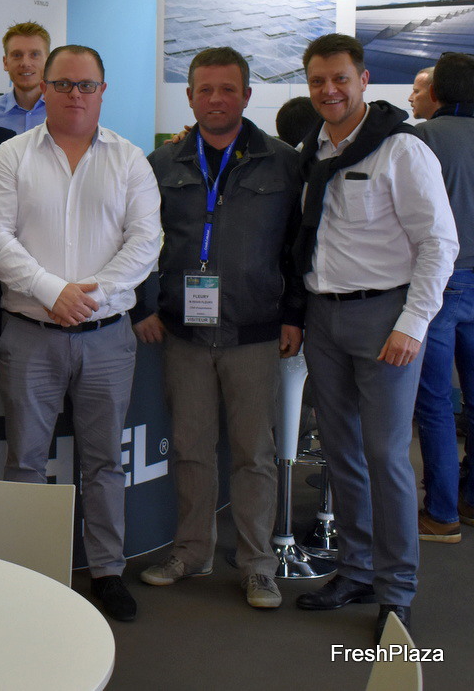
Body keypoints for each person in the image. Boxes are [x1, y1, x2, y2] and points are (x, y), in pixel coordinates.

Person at [0, 44, 161, 622]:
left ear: (103, 91)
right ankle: (29, 570)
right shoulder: (11, 156)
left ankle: (107, 570)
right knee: (25, 461)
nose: (74, 95)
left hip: (107, 336)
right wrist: (51, 292)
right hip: (30, 332)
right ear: (45, 88)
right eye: (63, 84)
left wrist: (88, 297)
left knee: (104, 461)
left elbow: (146, 243)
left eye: (86, 85)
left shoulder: (130, 160)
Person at [292, 33, 457, 643]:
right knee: (341, 453)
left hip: (385, 318)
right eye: (317, 80)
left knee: (386, 457)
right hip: (324, 316)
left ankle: (396, 591)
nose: (329, 90)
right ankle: (356, 570)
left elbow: (439, 243)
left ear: (363, 80)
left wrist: (413, 323)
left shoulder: (401, 149)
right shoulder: (311, 149)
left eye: (340, 78)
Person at [134, 47, 304, 609]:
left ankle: (258, 565)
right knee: (190, 448)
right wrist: (141, 305)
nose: (215, 99)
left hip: (254, 331)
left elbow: (298, 248)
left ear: (247, 95)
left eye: (227, 89)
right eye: (204, 89)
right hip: (183, 332)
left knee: (255, 453)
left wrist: (294, 315)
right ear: (189, 97)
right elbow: (135, 241)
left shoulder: (282, 163)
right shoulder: (162, 164)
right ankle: (192, 552)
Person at [412, 51, 474, 543]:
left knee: (433, 404)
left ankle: (441, 513)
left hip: (441, 284)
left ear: (436, 92)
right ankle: (469, 500)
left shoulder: (423, 139)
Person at [0, 22, 51, 134]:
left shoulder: (64, 113)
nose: (25, 63)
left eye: (34, 54)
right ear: (5, 62)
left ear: (48, 61)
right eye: (17, 55)